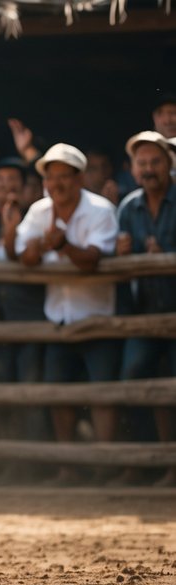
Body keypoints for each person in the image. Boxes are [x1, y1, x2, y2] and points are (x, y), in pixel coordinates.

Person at [16, 143, 120, 483]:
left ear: (79, 179)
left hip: (96, 317)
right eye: (51, 177)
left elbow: (93, 260)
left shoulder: (100, 210)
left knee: (102, 394)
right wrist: (36, 249)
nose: (56, 184)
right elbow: (22, 255)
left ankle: (105, 466)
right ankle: (68, 466)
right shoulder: (39, 211)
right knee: (60, 394)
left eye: (63, 177)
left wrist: (60, 245)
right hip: (58, 317)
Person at [0, 157, 47, 445]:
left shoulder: (36, 218)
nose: (6, 188)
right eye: (0, 182)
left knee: (30, 384)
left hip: (28, 314)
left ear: (25, 187)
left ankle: (33, 456)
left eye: (13, 182)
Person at [116, 131, 176, 485]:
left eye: (155, 162)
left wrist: (164, 258)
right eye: (142, 163)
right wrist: (125, 257)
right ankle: (141, 461)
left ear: (169, 164)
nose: (149, 169)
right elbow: (118, 263)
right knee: (132, 379)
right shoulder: (128, 207)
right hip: (144, 314)